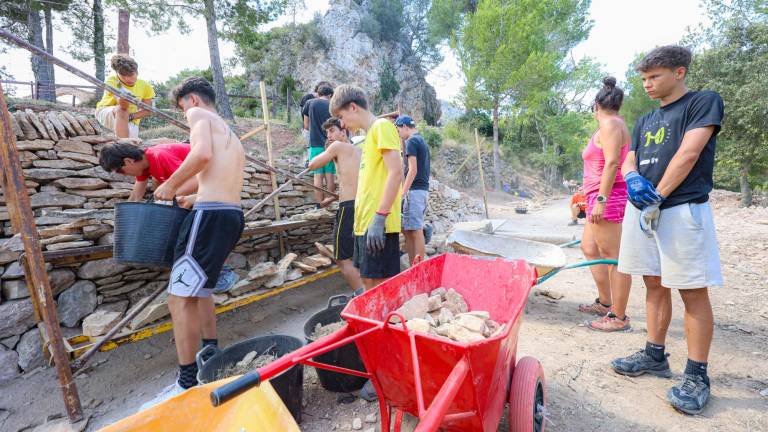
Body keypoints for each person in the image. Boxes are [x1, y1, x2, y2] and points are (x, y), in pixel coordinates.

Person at [610, 46, 724, 415]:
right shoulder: (644, 119)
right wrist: (630, 177)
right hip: (643, 211)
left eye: (655, 76)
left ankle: (697, 375)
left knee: (692, 289)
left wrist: (658, 194)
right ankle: (654, 355)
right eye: (644, 78)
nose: (647, 84)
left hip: (681, 209)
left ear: (679, 72)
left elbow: (689, 154)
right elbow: (630, 156)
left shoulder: (702, 103)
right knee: (653, 283)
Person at [141, 77, 246, 407]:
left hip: (210, 216)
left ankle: (186, 383)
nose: (183, 113)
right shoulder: (230, 134)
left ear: (192, 100)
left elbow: (200, 155)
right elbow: (217, 177)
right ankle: (210, 351)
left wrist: (171, 186)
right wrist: (194, 196)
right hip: (229, 214)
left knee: (178, 298)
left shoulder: (199, 116)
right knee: (200, 290)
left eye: (182, 106)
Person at [330, 85, 403, 290]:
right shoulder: (367, 137)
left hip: (378, 223)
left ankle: (383, 322)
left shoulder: (381, 127)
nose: (343, 124)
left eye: (341, 117)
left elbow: (396, 173)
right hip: (364, 225)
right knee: (368, 282)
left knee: (380, 286)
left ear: (353, 107)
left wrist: (380, 217)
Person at [577, 77, 633, 333]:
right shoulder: (610, 124)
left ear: (595, 105)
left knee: (614, 258)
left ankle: (618, 316)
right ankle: (605, 301)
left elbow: (612, 163)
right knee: (589, 247)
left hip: (607, 197)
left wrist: (601, 199)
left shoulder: (610, 124)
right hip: (595, 194)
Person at [307, 117, 364, 295]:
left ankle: (363, 295)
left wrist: (319, 155)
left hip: (348, 208)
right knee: (358, 255)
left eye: (332, 130)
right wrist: (329, 201)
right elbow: (350, 183)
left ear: (343, 131)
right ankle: (368, 290)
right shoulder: (359, 152)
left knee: (342, 258)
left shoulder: (338, 147)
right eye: (327, 132)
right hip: (363, 205)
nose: (329, 135)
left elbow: (313, 165)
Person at [98, 141, 197, 202]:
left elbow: (196, 179)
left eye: (120, 171)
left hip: (208, 177)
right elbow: (135, 197)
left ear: (128, 161)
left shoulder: (159, 156)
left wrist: (169, 196)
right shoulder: (144, 165)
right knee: (157, 182)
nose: (124, 175)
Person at [395, 115, 430, 264]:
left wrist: (403, 192)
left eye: (398, 130)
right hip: (421, 190)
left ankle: (419, 268)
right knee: (409, 230)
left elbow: (413, 169)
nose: (399, 135)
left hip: (414, 191)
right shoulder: (421, 140)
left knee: (415, 230)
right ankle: (413, 266)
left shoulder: (411, 141)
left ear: (404, 126)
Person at [95, 54, 155, 138]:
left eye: (130, 75)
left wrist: (131, 116)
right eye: (123, 75)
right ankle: (122, 145)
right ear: (117, 73)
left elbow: (148, 110)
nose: (127, 79)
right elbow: (123, 106)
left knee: (132, 145)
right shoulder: (112, 81)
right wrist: (123, 96)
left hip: (130, 118)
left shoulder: (145, 86)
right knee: (122, 110)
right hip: (106, 112)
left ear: (137, 72)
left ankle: (123, 143)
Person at [302, 84, 336, 205]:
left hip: (315, 144)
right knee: (330, 175)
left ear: (318, 93)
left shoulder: (310, 103)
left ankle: (319, 205)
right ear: (330, 95)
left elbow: (306, 126)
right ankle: (329, 204)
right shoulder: (332, 106)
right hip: (330, 144)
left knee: (318, 176)